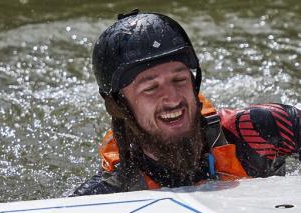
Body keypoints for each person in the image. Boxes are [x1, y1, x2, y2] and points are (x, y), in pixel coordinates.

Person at [72, 9, 300, 196]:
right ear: (118, 105)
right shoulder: (108, 194)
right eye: (150, 88)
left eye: (179, 79)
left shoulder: (262, 130)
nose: (172, 98)